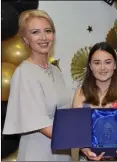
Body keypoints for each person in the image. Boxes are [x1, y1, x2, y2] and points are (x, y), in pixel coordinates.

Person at [3, 9, 71, 161]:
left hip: (61, 153)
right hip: (38, 153)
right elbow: (40, 123)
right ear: (26, 39)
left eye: (48, 31)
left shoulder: (55, 71)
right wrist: (84, 144)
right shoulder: (24, 72)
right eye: (35, 32)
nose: (43, 37)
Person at [72, 42, 117, 161]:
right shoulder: (80, 93)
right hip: (89, 158)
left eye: (108, 62)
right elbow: (78, 133)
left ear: (115, 65)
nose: (102, 67)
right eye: (97, 63)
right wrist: (85, 150)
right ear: (90, 66)